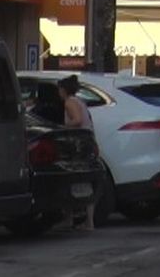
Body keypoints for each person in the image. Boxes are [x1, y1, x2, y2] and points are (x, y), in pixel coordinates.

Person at [58, 75, 96, 230]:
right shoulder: (80, 101)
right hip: (87, 141)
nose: (58, 93)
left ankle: (71, 219)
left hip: (78, 143)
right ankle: (89, 221)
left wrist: (63, 126)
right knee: (86, 181)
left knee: (72, 179)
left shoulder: (69, 102)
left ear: (64, 90)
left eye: (59, 89)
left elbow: (77, 120)